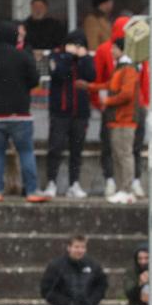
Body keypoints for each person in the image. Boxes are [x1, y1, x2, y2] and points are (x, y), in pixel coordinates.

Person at [0, 21, 49, 203]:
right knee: (25, 151)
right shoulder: (22, 57)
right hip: (19, 114)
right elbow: (34, 80)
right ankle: (31, 191)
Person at [90, 16, 151, 199]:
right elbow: (100, 78)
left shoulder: (138, 52)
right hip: (114, 108)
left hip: (130, 107)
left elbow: (144, 80)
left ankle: (131, 182)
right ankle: (114, 180)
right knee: (113, 147)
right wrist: (99, 102)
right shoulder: (104, 50)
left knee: (131, 147)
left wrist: (144, 102)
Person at [83, 37, 140, 204]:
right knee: (118, 155)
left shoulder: (128, 69)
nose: (111, 51)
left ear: (122, 50)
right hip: (116, 119)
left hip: (124, 119)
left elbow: (126, 94)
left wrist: (107, 101)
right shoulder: (120, 68)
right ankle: (122, 188)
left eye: (114, 48)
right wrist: (90, 87)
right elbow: (110, 85)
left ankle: (126, 189)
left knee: (124, 155)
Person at [43, 29, 96, 199]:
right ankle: (51, 181)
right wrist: (68, 56)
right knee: (55, 147)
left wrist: (84, 57)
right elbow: (58, 74)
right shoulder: (56, 56)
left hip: (80, 113)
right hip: (60, 112)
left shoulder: (86, 59)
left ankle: (74, 183)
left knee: (76, 150)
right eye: (73, 44)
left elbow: (91, 76)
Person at [39, 235, 108, 305]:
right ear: (69, 247)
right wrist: (66, 303)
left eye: (82, 247)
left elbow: (102, 286)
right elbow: (47, 290)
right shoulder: (56, 266)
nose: (79, 250)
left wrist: (91, 302)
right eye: (76, 247)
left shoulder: (94, 265)